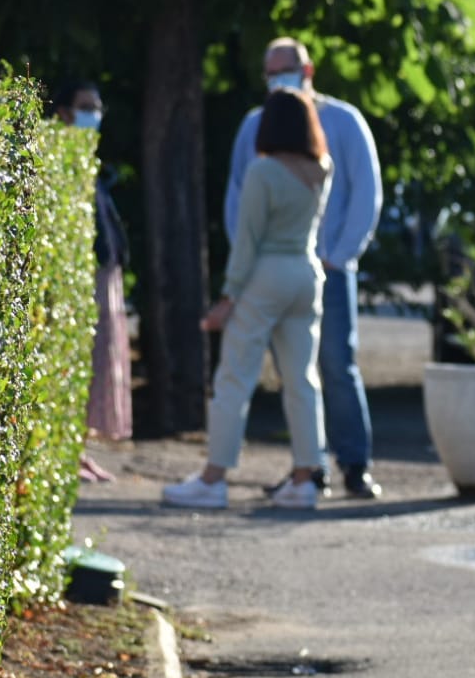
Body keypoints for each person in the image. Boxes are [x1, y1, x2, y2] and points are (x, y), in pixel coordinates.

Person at [224, 37, 384, 499]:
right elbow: (239, 199)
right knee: (296, 375)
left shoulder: (343, 121)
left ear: (307, 70)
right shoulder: (255, 126)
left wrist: (340, 255)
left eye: (285, 70)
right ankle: (308, 471)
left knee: (336, 365)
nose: (278, 80)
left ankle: (354, 465)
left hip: (328, 268)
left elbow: (365, 193)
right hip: (274, 270)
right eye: (270, 72)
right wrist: (248, 261)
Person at [163, 88, 332, 510]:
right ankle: (305, 479)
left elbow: (248, 242)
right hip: (306, 275)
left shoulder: (263, 172)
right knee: (302, 381)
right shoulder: (320, 169)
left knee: (234, 378)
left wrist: (227, 297)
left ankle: (213, 478)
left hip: (267, 276)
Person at [53, 80, 131, 483]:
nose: (93, 116)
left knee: (98, 364)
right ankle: (69, 454)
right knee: (81, 362)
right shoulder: (62, 160)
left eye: (97, 107)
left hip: (102, 275)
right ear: (63, 112)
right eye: (85, 107)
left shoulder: (87, 159)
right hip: (83, 278)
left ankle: (80, 451)